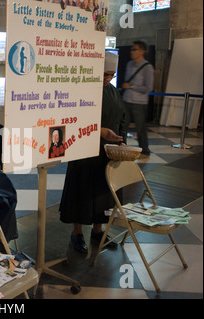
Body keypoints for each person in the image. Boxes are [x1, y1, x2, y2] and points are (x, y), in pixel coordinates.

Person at [59, 52, 126, 254]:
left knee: (103, 194)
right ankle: (77, 233)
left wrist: (121, 140)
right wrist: (100, 131)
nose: (107, 79)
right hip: (84, 151)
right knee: (82, 192)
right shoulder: (83, 90)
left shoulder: (114, 93)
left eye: (111, 75)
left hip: (107, 153)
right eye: (105, 74)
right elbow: (73, 120)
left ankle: (98, 231)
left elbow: (122, 118)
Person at [122, 40, 154, 156]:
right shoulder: (129, 64)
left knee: (140, 127)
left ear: (142, 51)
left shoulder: (147, 67)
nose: (132, 51)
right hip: (126, 100)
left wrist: (132, 86)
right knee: (123, 126)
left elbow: (148, 87)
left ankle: (144, 150)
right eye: (131, 49)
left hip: (139, 103)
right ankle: (121, 147)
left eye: (134, 49)